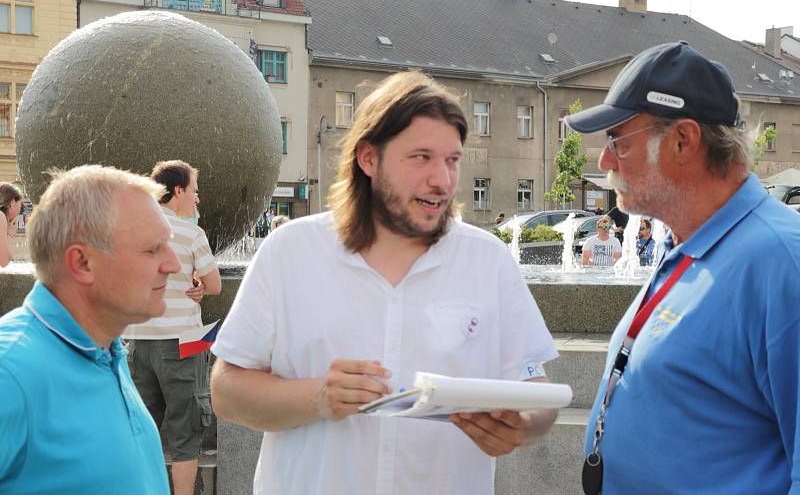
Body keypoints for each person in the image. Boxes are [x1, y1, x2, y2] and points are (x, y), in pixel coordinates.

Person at [210, 71, 559, 495]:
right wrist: (318, 397)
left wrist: (520, 426)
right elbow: (226, 391)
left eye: (452, 160)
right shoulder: (290, 252)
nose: (443, 180)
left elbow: (536, 393)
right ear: (368, 159)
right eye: (421, 157)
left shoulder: (488, 261)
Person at [566, 41, 800, 494]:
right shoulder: (691, 240)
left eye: (617, 140)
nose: (604, 161)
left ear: (683, 140)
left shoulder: (781, 262)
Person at [0, 165, 178, 494]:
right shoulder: (9, 371)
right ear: (82, 262)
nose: (173, 264)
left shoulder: (106, 349)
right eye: (152, 249)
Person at [124, 160, 221, 495]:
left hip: (137, 341)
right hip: (184, 341)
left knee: (139, 431)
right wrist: (199, 283)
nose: (197, 198)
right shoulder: (191, 233)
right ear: (178, 190)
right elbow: (216, 284)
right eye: (194, 190)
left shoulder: (132, 231)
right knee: (187, 436)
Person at [0, 182, 22, 267]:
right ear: (12, 202)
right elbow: (4, 261)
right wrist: (9, 234)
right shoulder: (0, 216)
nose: (19, 212)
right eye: (19, 206)